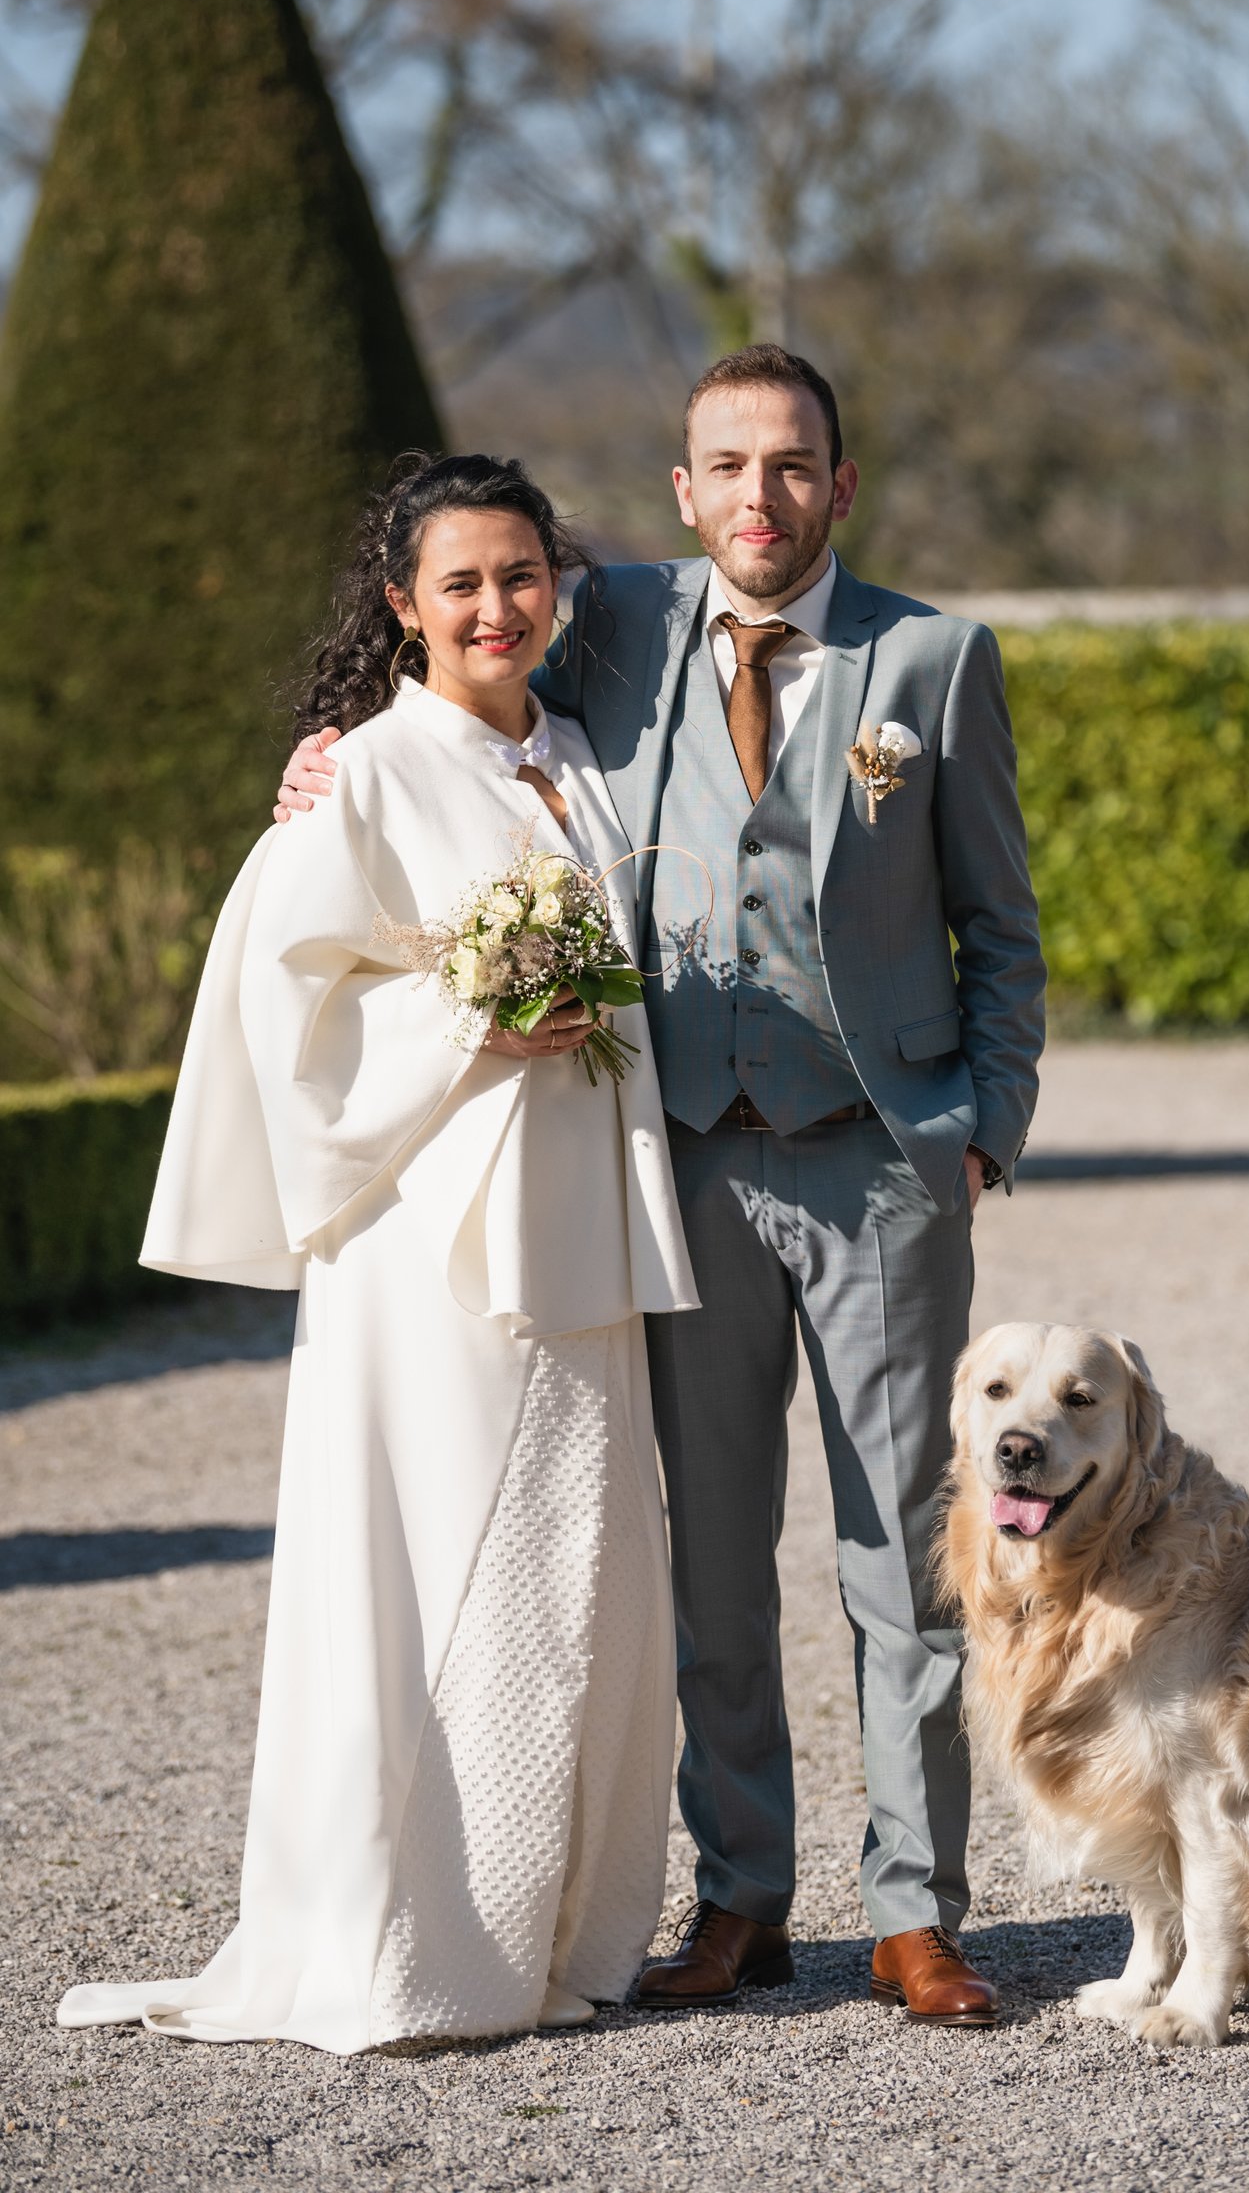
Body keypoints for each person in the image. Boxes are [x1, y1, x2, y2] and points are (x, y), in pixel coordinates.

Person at [280, 348, 1048, 2027]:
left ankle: (918, 1913)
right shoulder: (607, 620)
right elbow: (457, 654)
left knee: (899, 1557)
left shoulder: (931, 655)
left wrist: (985, 1123)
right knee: (709, 1556)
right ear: (681, 493)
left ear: (840, 487)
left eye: (792, 466)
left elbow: (1000, 917)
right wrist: (327, 760)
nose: (759, 496)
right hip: (685, 1161)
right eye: (726, 467)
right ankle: (747, 1903)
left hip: (881, 1168)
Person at [59, 455, 697, 2055]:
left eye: (522, 574)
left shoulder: (572, 761)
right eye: (461, 583)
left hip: (583, 1235)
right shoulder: (361, 776)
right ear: (402, 604)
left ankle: (562, 1925)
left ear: (560, 583)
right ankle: (422, 1945)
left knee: (587, 1570)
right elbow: (290, 1010)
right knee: (436, 1561)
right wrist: (479, 1006)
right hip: (435, 1252)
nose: (496, 607)